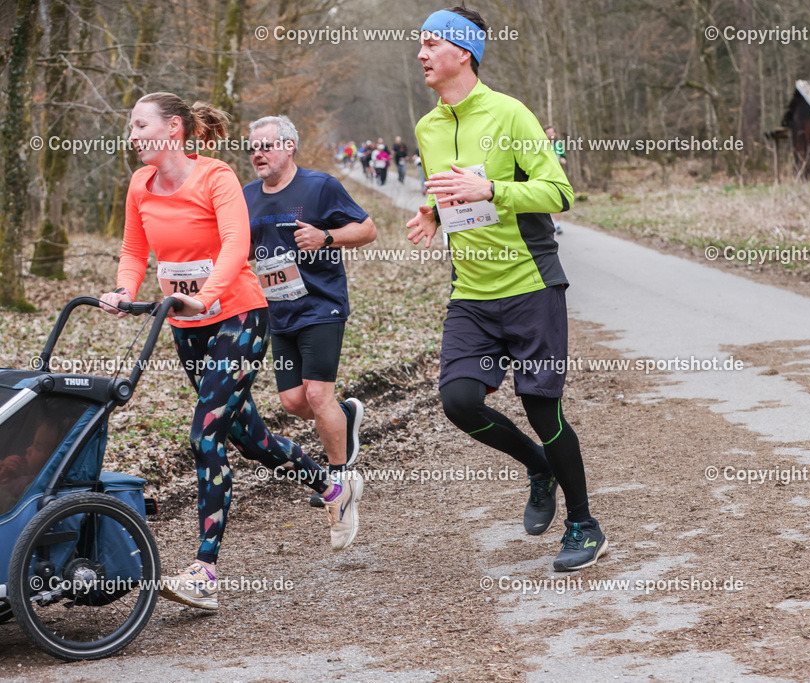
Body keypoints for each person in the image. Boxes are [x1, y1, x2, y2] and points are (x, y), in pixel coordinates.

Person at [98, 92, 359, 611]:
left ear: (173, 128)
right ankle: (332, 487)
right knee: (250, 439)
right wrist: (125, 290)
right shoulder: (140, 184)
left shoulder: (215, 177)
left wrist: (208, 295)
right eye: (130, 127)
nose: (132, 136)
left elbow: (237, 245)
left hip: (238, 317)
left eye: (140, 125)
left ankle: (204, 572)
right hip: (185, 326)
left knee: (205, 436)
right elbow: (134, 249)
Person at [406, 7, 607, 572]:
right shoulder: (427, 128)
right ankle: (538, 466)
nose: (420, 54)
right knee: (459, 401)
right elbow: (451, 192)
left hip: (530, 285)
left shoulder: (510, 113)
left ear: (464, 52)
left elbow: (559, 193)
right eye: (420, 44)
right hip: (471, 292)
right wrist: (432, 214)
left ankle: (584, 525)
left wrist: (492, 189)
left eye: (431, 44)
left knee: (543, 410)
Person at [244, 115, 377, 513]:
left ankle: (340, 480)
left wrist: (326, 237)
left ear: (289, 146)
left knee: (319, 395)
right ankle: (346, 415)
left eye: (266, 146)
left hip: (321, 305)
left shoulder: (320, 186)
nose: (257, 154)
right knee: (294, 402)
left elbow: (367, 230)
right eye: (252, 148)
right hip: (278, 309)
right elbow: (244, 248)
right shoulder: (246, 195)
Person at [545, 125, 567, 234]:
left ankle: (557, 225)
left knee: (557, 199)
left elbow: (564, 159)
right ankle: (547, 223)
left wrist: (561, 160)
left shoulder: (558, 145)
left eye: (552, 132)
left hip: (557, 176)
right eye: (548, 133)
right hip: (544, 176)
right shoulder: (541, 145)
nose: (551, 135)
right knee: (546, 200)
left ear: (555, 134)